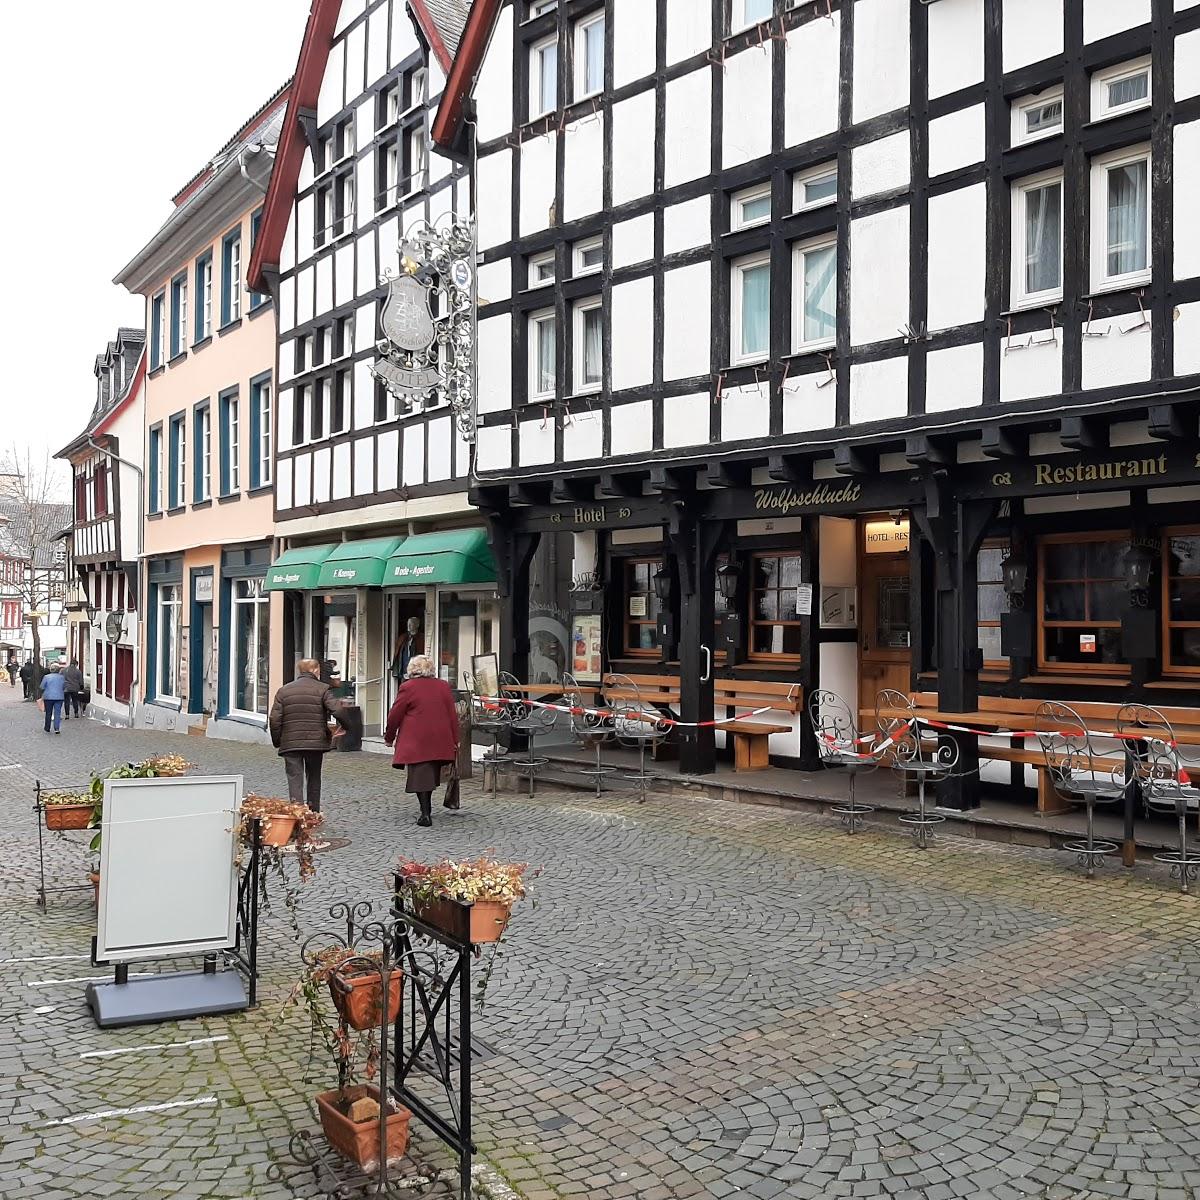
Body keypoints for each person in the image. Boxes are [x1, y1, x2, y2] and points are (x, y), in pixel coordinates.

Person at [384, 654, 461, 827]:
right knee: (427, 774)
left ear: (412, 669)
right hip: (439, 737)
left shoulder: (408, 687)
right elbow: (452, 714)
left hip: (416, 739)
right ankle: (426, 810)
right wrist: (455, 739)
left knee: (420, 775)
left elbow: (395, 714)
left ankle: (425, 812)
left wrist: (389, 737)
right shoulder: (443, 686)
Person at [267, 658, 352, 813]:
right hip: (315, 742)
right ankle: (313, 813)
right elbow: (338, 710)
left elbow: (274, 719)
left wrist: (278, 740)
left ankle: (298, 814)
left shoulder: (284, 690)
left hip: (291, 743)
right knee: (313, 778)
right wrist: (345, 727)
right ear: (315, 670)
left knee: (294, 779)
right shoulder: (323, 689)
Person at [39, 666, 67, 734]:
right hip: (59, 697)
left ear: (50, 670)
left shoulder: (46, 677)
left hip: (48, 697)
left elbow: (42, 686)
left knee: (48, 712)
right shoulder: (62, 677)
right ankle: (57, 728)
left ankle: (47, 727)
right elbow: (64, 686)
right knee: (57, 713)